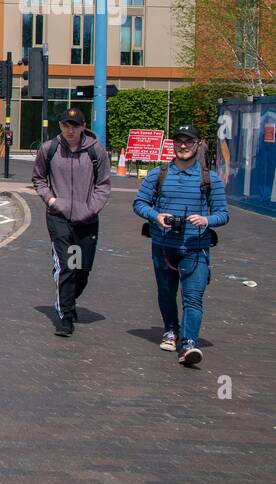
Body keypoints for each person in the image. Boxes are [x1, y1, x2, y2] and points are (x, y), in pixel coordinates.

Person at [132, 124, 228, 366]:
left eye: (188, 141)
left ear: (198, 145)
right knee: (166, 292)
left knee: (193, 297)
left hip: (196, 249)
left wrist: (206, 220)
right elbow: (139, 204)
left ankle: (189, 345)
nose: (183, 146)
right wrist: (156, 216)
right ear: (173, 145)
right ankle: (171, 331)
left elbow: (223, 214)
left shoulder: (209, 179)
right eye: (179, 141)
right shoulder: (158, 174)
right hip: (164, 246)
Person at [31, 107, 112, 337]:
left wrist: (91, 208)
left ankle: (69, 299)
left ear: (83, 126)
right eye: (66, 125)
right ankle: (65, 317)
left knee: (81, 268)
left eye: (74, 126)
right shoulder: (50, 149)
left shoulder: (96, 151)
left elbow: (103, 184)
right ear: (60, 127)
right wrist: (51, 200)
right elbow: (38, 178)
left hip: (86, 219)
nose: (70, 130)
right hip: (59, 217)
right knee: (67, 264)